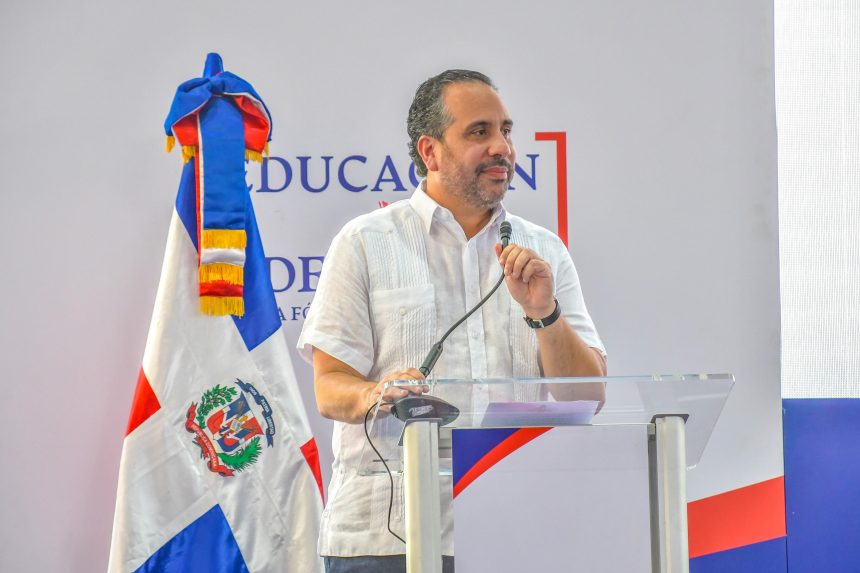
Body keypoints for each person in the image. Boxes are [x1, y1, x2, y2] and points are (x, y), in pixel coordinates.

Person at [297, 69, 607, 573]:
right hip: (386, 537)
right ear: (430, 151)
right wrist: (377, 394)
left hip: (517, 531)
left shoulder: (543, 250)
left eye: (506, 131)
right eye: (479, 132)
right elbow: (330, 387)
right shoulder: (365, 242)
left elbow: (589, 395)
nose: (502, 147)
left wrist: (543, 313)